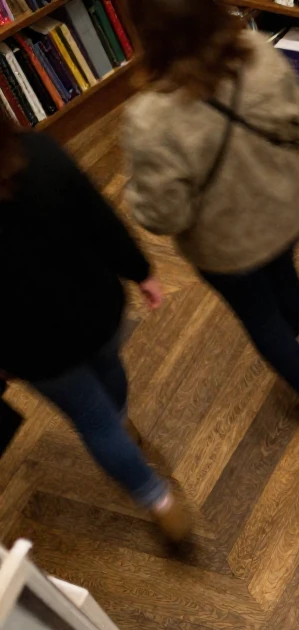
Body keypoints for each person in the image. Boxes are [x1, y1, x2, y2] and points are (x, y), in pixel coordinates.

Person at [121, 0, 299, 441]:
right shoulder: (258, 51)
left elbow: (165, 215)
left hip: (223, 246)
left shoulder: (148, 119)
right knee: (284, 279)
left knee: (260, 318)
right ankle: (291, 344)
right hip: (283, 210)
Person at [0, 116, 193, 542]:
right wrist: (140, 270)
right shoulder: (42, 154)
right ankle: (124, 421)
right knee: (110, 370)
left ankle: (159, 502)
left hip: (31, 349)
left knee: (93, 421)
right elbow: (100, 219)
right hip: (96, 308)